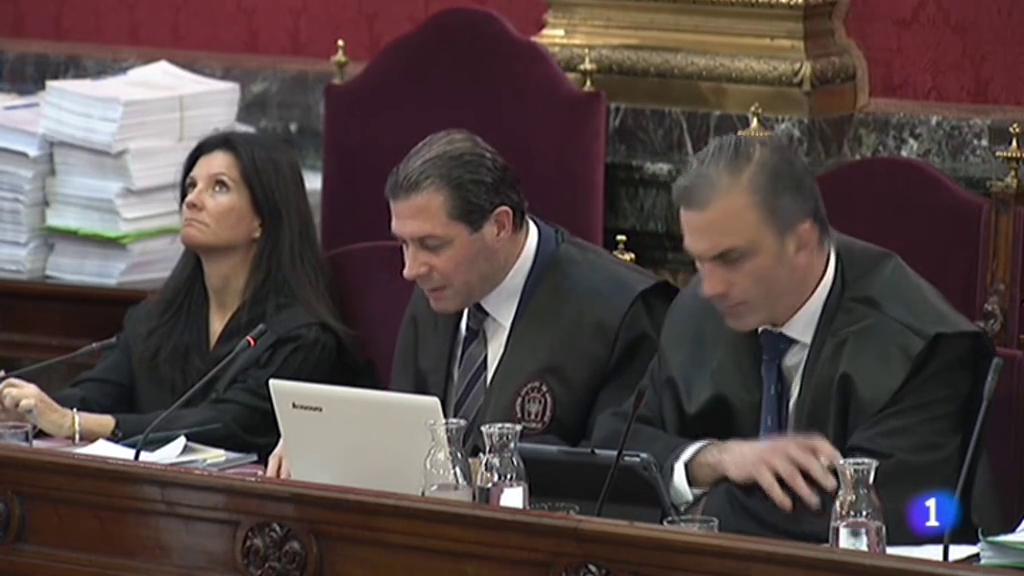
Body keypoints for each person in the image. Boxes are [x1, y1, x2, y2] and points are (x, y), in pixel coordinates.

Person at [593, 134, 992, 544]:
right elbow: (611, 448)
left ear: (802, 242)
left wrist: (701, 512)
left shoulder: (920, 344)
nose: (710, 287)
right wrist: (715, 459)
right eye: (698, 261)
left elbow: (885, 509)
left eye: (731, 258)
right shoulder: (697, 314)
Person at [266, 129, 674, 477]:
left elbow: (617, 477)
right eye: (404, 244)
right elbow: (406, 431)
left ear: (499, 226)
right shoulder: (439, 285)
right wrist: (330, 447)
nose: (410, 269)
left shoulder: (621, 311)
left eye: (432, 244)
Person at [0, 131, 371, 459]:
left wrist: (76, 424)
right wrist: (26, 408)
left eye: (219, 187)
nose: (193, 200)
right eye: (191, 186)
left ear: (263, 218)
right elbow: (97, 393)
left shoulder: (301, 336)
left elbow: (231, 424)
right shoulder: (155, 318)